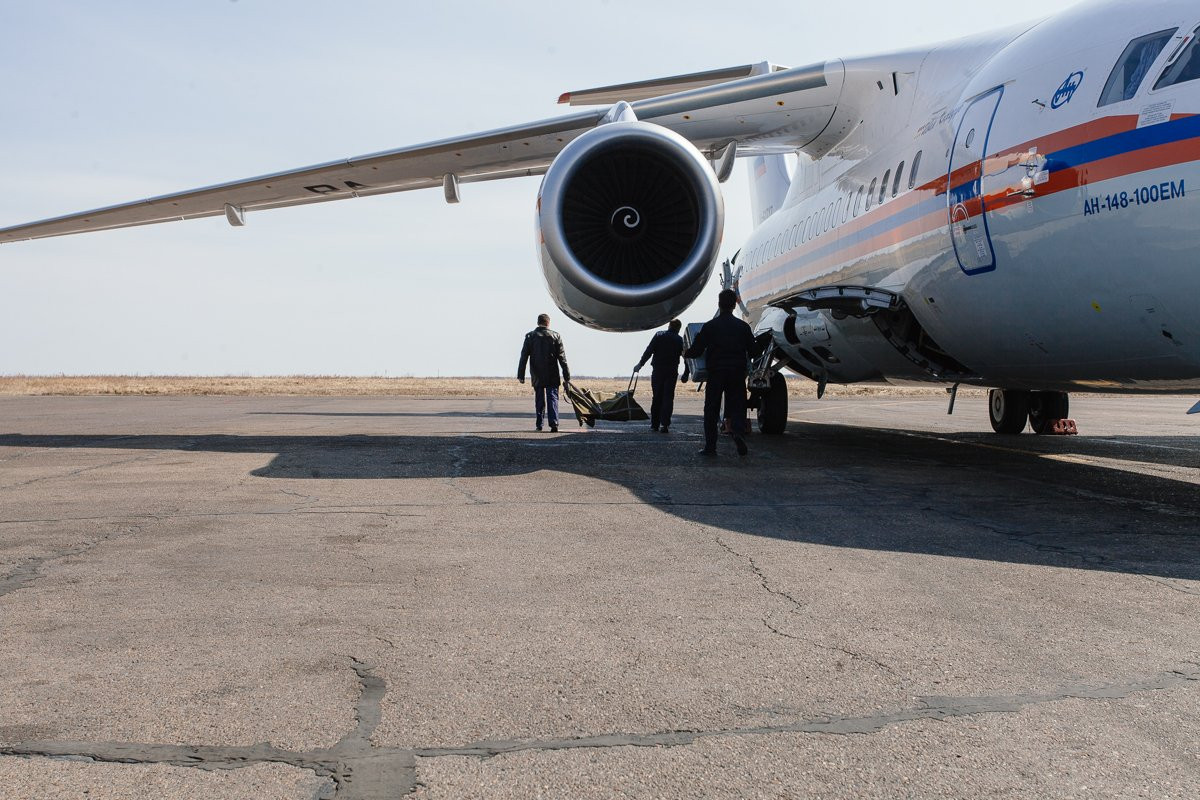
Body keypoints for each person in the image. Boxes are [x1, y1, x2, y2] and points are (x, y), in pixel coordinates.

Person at [684, 289, 763, 457]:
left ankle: (710, 447)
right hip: (737, 372)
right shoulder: (743, 327)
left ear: (719, 304)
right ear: (735, 305)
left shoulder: (710, 326)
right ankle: (738, 433)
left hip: (716, 372)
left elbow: (697, 350)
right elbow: (755, 352)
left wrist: (685, 353)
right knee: (738, 406)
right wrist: (762, 341)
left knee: (711, 409)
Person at [517, 313, 571, 432]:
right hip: (552, 373)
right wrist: (567, 376)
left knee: (539, 399)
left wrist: (521, 375)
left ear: (538, 322)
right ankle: (554, 423)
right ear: (548, 323)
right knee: (552, 398)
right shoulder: (556, 336)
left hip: (537, 374)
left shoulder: (530, 337)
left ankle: (539, 424)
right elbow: (562, 358)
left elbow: (523, 357)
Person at [634, 319, 686, 433]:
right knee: (668, 398)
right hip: (672, 372)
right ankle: (665, 425)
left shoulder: (659, 335)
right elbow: (685, 356)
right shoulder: (679, 340)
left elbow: (649, 351)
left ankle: (654, 424)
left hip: (658, 371)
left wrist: (640, 364)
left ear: (669, 326)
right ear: (678, 328)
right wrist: (686, 373)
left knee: (657, 397)